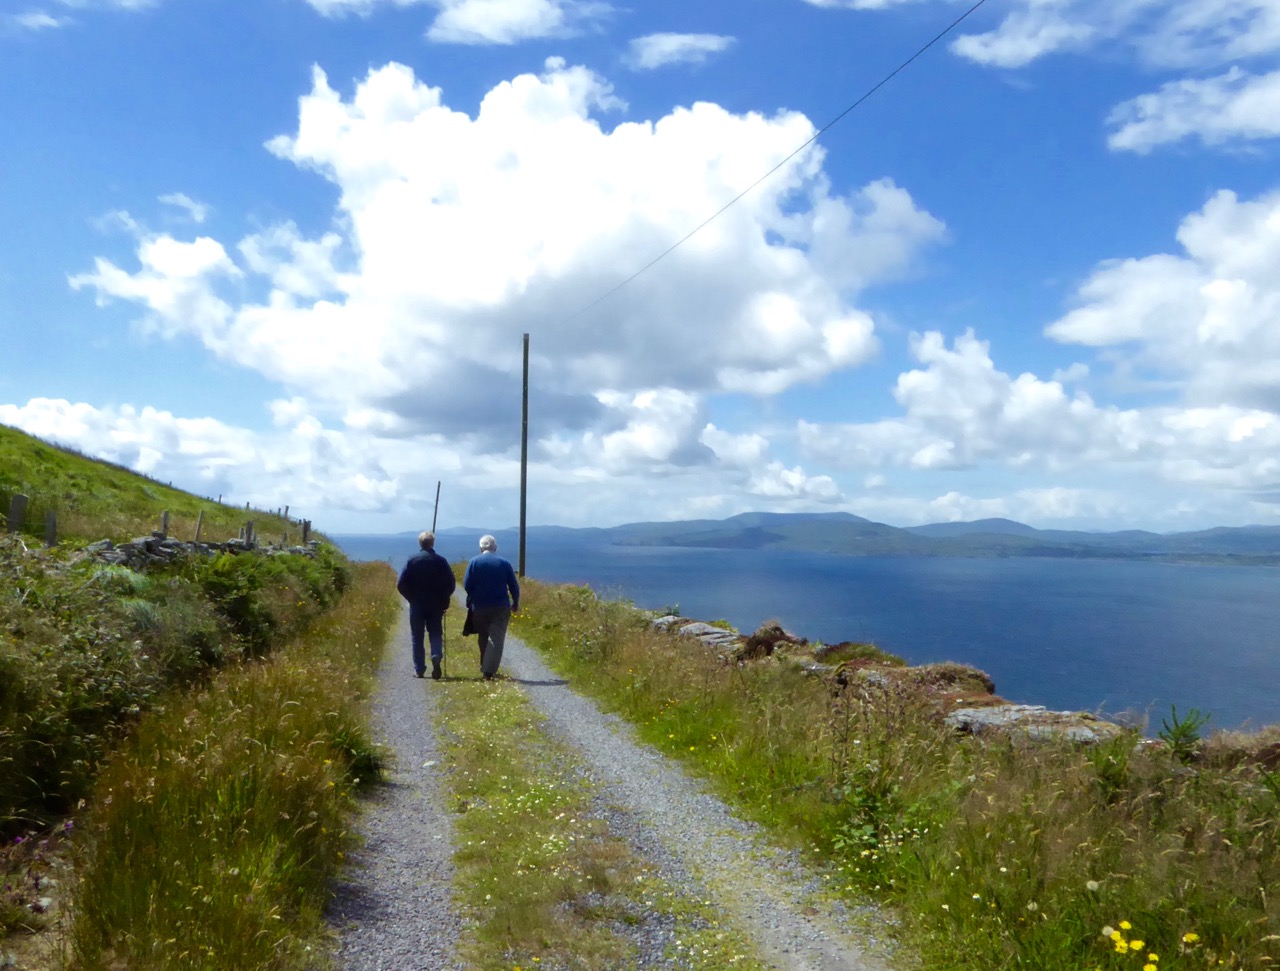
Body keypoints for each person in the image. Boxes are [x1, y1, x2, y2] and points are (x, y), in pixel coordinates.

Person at [396, 530, 456, 680]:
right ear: (432, 543)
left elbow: (401, 584)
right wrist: (444, 598)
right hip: (436, 605)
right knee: (435, 632)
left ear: (420, 543)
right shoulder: (441, 561)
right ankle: (436, 654)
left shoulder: (412, 561)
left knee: (417, 636)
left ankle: (420, 669)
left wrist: (411, 598)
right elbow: (451, 584)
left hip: (417, 604)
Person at [462, 534, 520, 680]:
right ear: (495, 547)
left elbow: (467, 585)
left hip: (480, 606)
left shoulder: (474, 562)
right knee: (496, 638)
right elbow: (513, 585)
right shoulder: (504, 563)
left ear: (480, 548)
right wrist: (515, 602)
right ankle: (488, 671)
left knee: (483, 635)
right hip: (501, 606)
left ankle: (484, 664)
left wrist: (474, 597)